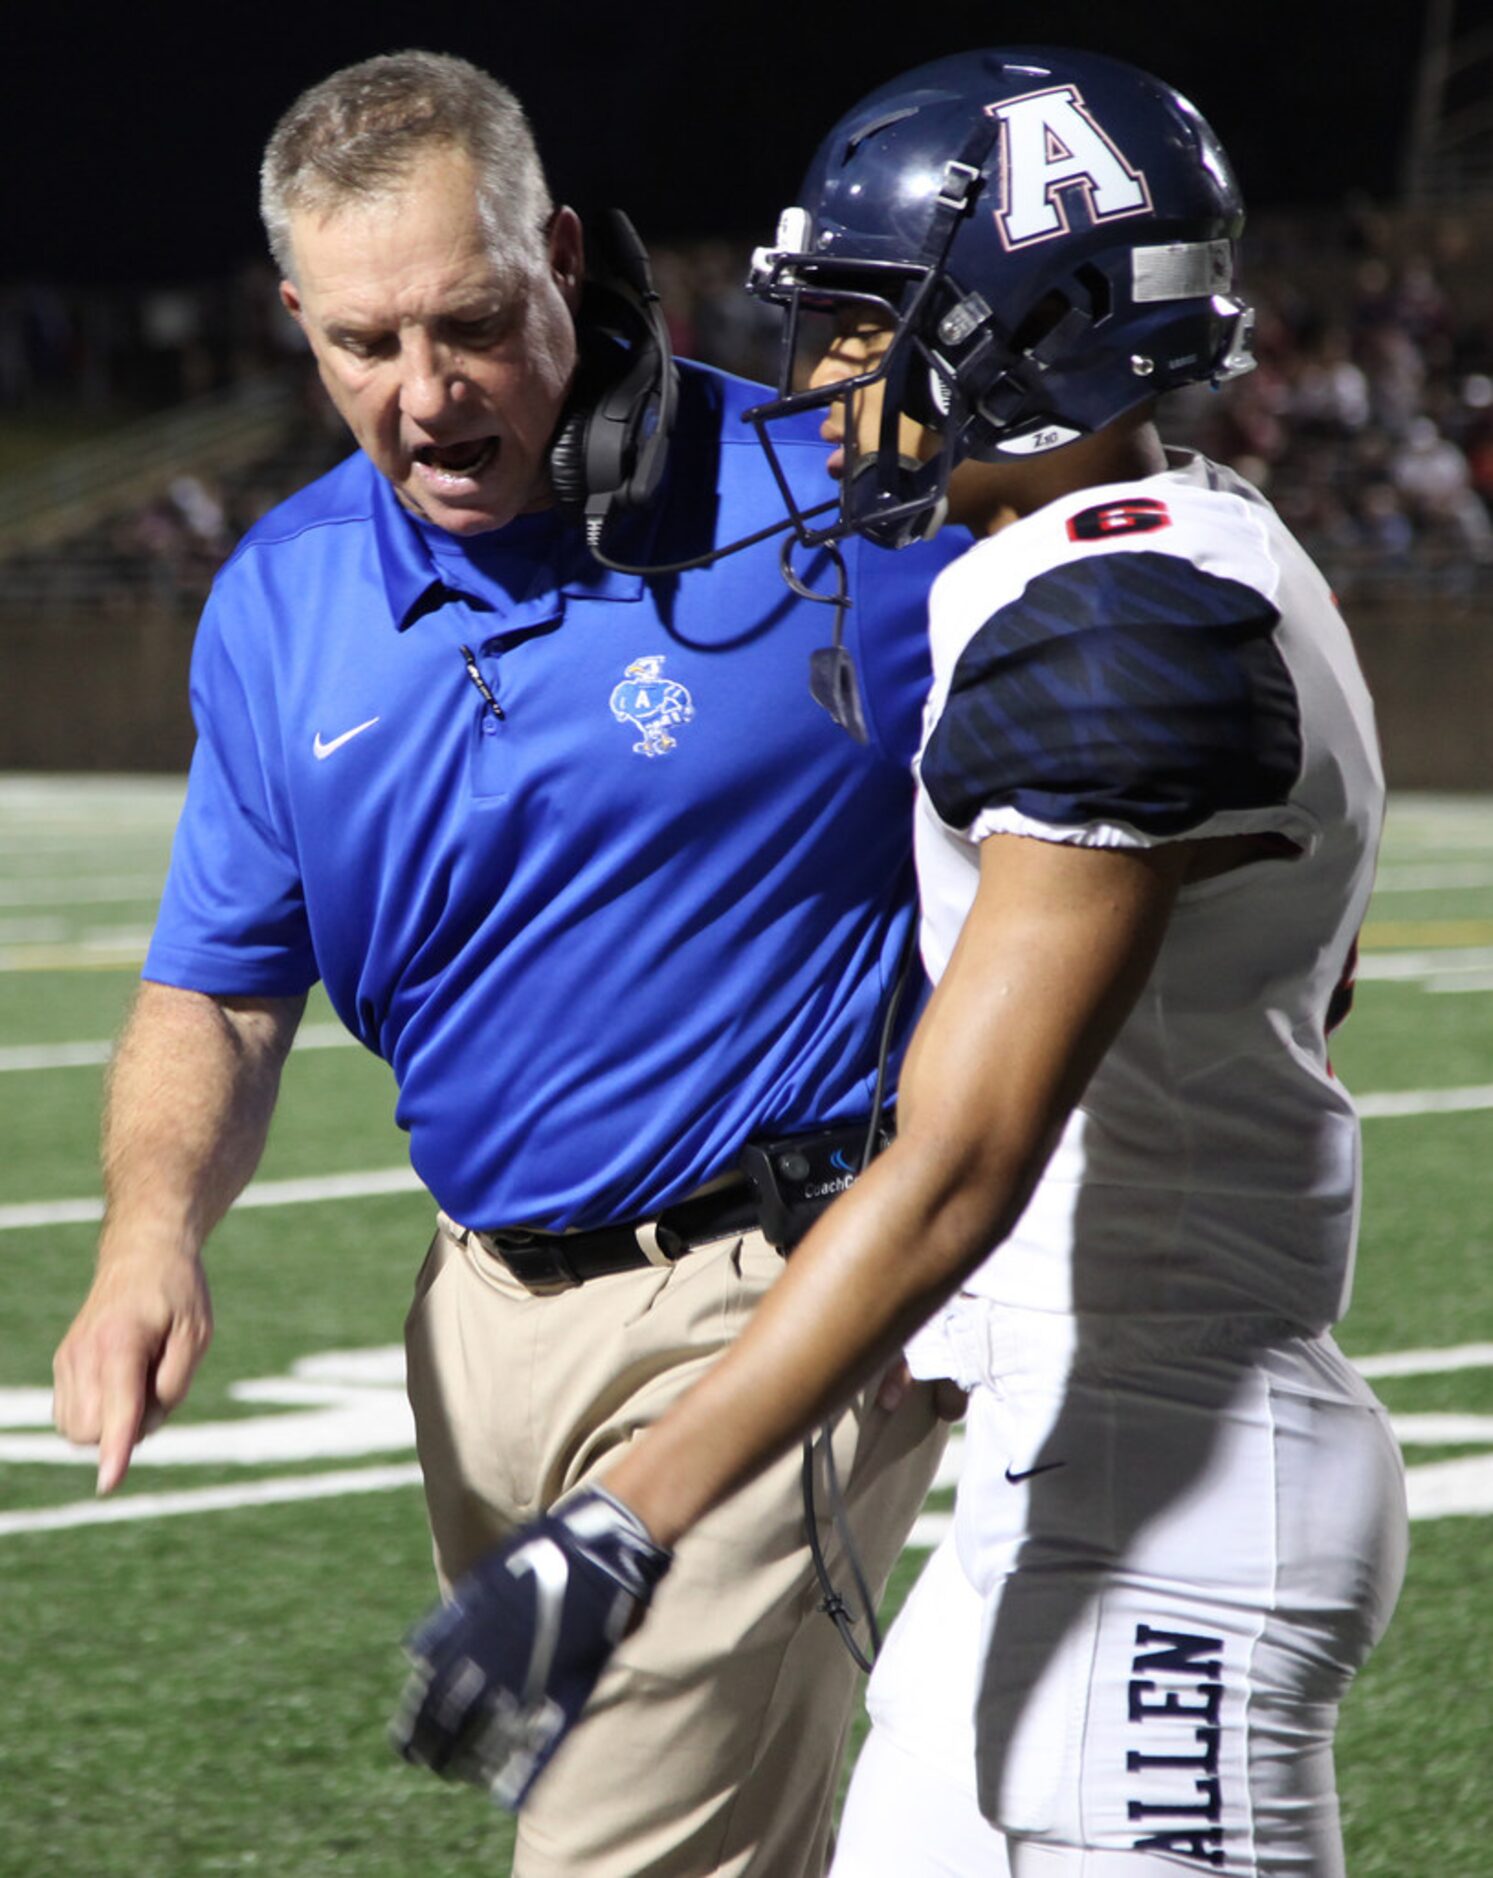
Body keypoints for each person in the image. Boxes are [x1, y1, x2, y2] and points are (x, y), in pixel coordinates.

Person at [394, 49, 1410, 1878]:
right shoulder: (1133, 560)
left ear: (1039, 327)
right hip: (1081, 1451)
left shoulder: (1125, 625)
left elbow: (959, 1161)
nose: (816, 381)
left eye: (861, 326)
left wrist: (625, 1517)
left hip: (1167, 1488)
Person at [49, 49, 968, 1878]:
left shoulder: (844, 517)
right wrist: (149, 1233)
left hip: (771, 1298)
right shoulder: (281, 600)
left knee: (622, 1852)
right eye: (362, 346)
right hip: (474, 1319)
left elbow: (1142, 718)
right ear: (297, 320)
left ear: (560, 255)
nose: (426, 395)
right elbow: (221, 986)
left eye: (469, 323)